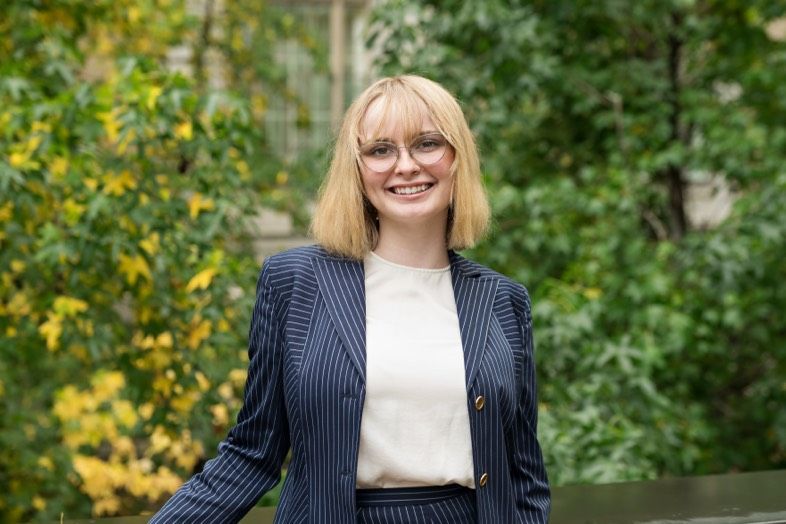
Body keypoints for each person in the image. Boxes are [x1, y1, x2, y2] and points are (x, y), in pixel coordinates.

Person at [150, 75, 550, 523]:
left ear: (457, 158)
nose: (406, 165)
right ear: (356, 169)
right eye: (381, 150)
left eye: (427, 144)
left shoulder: (502, 301)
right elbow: (252, 454)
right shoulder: (295, 283)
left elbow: (524, 476)